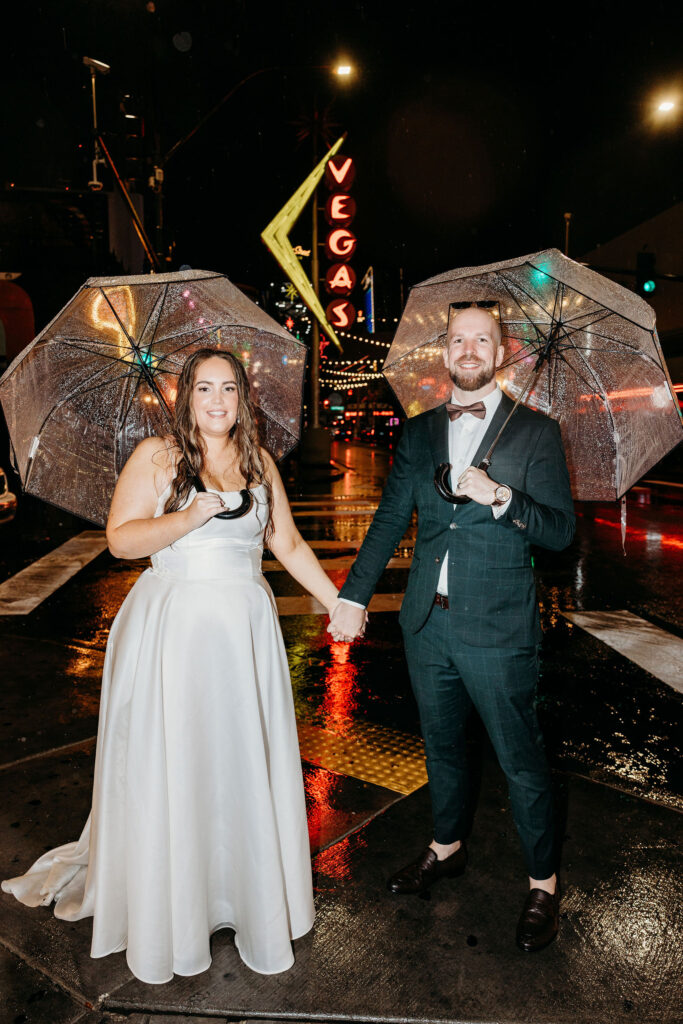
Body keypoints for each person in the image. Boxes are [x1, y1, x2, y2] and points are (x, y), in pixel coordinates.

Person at [2, 348, 341, 983]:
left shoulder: (259, 463)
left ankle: (237, 892)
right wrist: (186, 518)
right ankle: (175, 901)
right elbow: (120, 539)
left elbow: (286, 543)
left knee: (239, 760)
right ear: (185, 396)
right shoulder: (159, 456)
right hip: (175, 631)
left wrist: (336, 602)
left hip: (244, 632)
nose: (218, 401)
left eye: (230, 388)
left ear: (244, 397)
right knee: (179, 760)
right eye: (205, 388)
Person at [328, 305, 575, 952]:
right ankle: (446, 847)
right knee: (439, 748)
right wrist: (353, 594)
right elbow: (387, 520)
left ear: (500, 352)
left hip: (497, 628)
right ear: (445, 351)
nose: (468, 349)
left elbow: (558, 532)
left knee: (519, 761)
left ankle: (543, 883)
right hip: (424, 623)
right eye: (457, 339)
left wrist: (501, 498)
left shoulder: (536, 433)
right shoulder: (416, 432)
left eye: (481, 339)